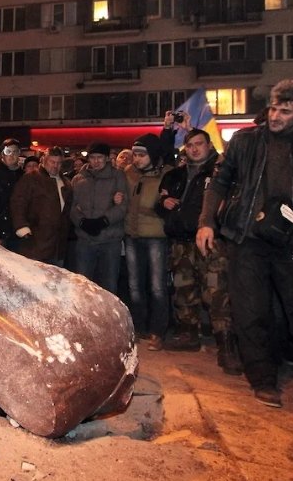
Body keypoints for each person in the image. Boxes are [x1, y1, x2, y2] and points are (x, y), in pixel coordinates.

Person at [197, 79, 293, 416]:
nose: (276, 115)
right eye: (273, 107)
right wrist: (206, 221)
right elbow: (219, 182)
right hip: (246, 240)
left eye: (285, 110)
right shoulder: (244, 140)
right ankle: (263, 379)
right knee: (251, 313)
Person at [157, 126, 241, 374]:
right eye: (190, 145)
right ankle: (188, 334)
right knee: (184, 290)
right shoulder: (175, 175)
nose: (194, 149)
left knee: (217, 292)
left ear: (209, 145)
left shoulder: (221, 172)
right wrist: (164, 202)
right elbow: (160, 204)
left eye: (199, 144)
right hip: (180, 243)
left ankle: (226, 345)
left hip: (211, 241)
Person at [124, 133, 172, 350]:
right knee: (134, 286)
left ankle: (157, 331)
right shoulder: (128, 174)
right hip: (132, 235)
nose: (137, 159)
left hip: (156, 237)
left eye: (141, 155)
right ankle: (139, 327)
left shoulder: (166, 175)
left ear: (152, 155)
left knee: (157, 287)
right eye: (134, 154)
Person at [69, 142, 127, 293]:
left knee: (109, 284)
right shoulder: (78, 179)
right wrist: (82, 222)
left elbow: (123, 205)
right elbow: (72, 206)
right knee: (83, 285)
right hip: (85, 240)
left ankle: (108, 316)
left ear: (107, 158)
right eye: (92, 157)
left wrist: (104, 221)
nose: (96, 161)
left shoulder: (117, 176)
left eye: (99, 157)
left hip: (110, 240)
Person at [10, 146, 72, 266]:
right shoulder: (31, 178)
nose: (55, 166)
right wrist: (22, 227)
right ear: (44, 160)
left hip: (57, 243)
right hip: (35, 240)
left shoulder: (65, 182)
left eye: (59, 163)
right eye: (52, 162)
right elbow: (18, 203)